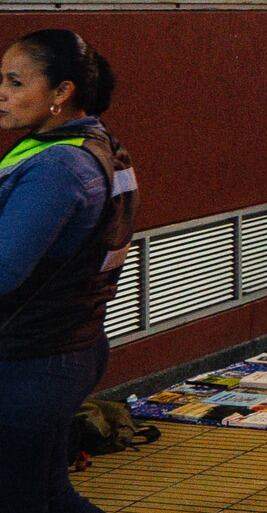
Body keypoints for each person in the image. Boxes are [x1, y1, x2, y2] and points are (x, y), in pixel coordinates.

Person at [0, 30, 135, 513]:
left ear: (62, 91)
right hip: (67, 347)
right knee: (50, 497)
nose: (2, 94)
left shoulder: (59, 167)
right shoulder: (95, 143)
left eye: (16, 82)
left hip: (32, 362)